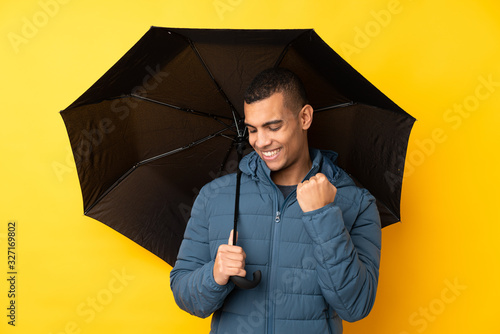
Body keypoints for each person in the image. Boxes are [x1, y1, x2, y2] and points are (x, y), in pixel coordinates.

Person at [170, 67, 381, 334]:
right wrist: (214, 275)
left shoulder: (355, 201)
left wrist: (324, 217)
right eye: (252, 130)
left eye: (273, 126)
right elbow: (184, 295)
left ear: (304, 117)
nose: (261, 141)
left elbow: (356, 306)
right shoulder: (215, 196)